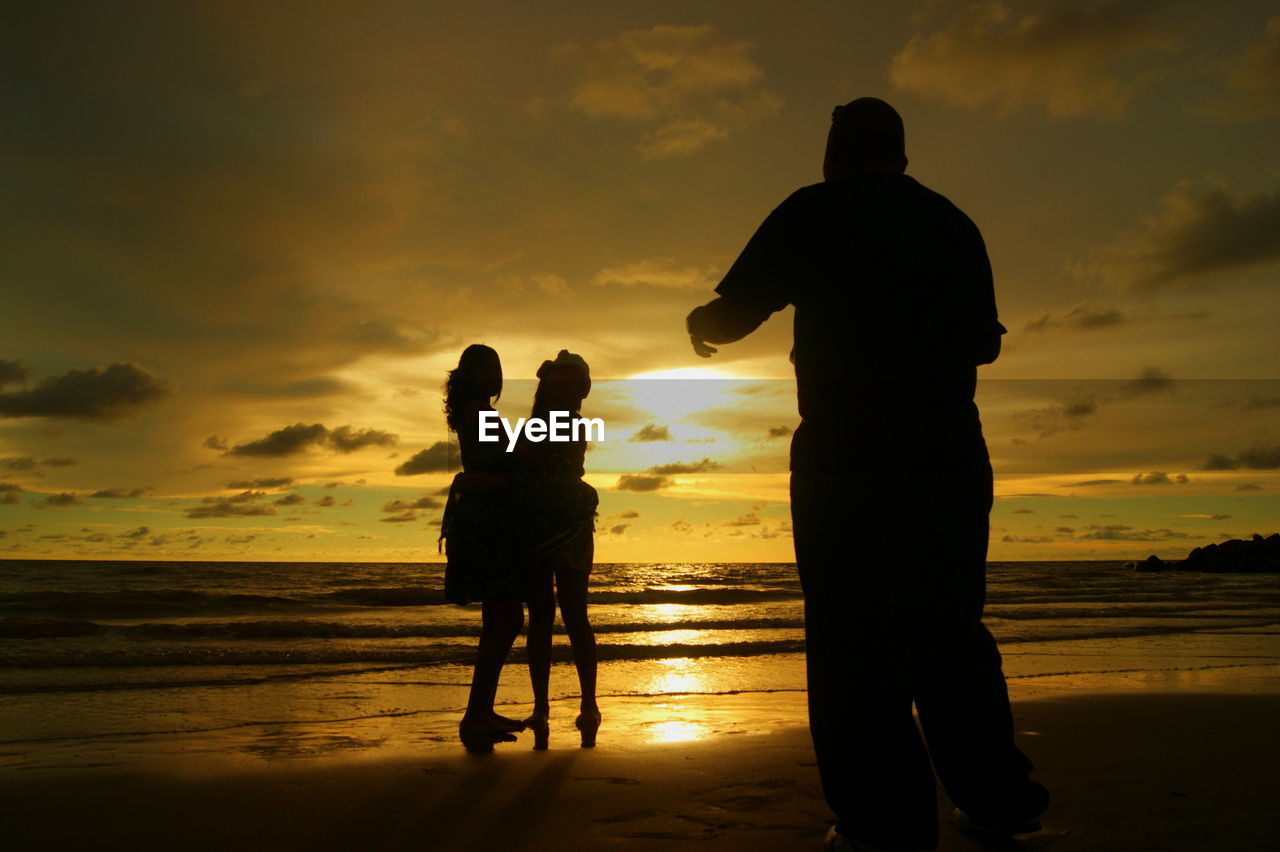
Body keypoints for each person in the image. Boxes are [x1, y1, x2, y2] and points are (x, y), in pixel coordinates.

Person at [685, 98, 1048, 852]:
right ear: (902, 155)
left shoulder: (812, 212)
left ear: (835, 150)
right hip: (945, 448)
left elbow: (735, 310)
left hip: (846, 451)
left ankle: (886, 822)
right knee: (949, 627)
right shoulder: (953, 224)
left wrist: (700, 329)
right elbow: (986, 345)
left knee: (852, 637)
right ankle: (996, 798)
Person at [439, 343, 528, 753]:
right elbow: (506, 463)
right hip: (489, 526)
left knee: (495, 622)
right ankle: (477, 712)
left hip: (488, 523)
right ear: (470, 375)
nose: (495, 375)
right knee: (507, 619)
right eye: (486, 368)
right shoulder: (480, 413)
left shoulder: (474, 413)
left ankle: (480, 711)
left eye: (499, 367)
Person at [518, 350, 601, 749]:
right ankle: (542, 705)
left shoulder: (572, 424)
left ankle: (588, 702)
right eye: (559, 381)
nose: (565, 387)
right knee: (541, 618)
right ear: (548, 385)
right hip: (536, 525)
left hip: (567, 526)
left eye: (572, 383)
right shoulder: (536, 423)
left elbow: (545, 469)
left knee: (573, 613)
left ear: (581, 391)